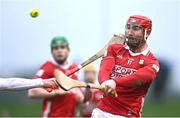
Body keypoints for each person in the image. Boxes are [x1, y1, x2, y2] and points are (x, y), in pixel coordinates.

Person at [92, 15, 160, 117]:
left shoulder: (152, 62)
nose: (130, 32)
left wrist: (114, 82)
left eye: (136, 28)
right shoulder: (114, 49)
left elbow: (138, 78)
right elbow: (104, 70)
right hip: (101, 111)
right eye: (128, 27)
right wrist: (105, 83)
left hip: (126, 114)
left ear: (147, 32)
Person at [28, 36, 84, 117]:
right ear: (51, 51)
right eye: (56, 48)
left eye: (62, 47)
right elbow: (32, 92)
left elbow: (74, 89)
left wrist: (80, 97)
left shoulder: (73, 67)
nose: (59, 50)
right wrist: (56, 92)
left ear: (68, 50)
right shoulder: (46, 68)